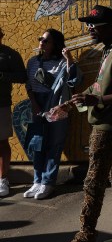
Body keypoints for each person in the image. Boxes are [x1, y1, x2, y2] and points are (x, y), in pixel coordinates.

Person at [49, 5, 112, 242]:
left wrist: (98, 100)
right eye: (88, 24)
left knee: (93, 183)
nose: (89, 28)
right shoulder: (111, 50)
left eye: (96, 24)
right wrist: (72, 103)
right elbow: (101, 85)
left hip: (108, 129)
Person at [24, 29, 82, 200]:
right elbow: (29, 85)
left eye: (46, 40)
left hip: (58, 104)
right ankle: (37, 181)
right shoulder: (33, 61)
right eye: (40, 38)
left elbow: (74, 81)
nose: (41, 42)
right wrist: (34, 104)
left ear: (55, 44)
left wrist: (69, 59)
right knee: (37, 143)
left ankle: (48, 182)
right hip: (37, 104)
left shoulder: (63, 62)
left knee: (55, 143)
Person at [0, 27, 27, 197]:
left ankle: (3, 179)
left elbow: (22, 76)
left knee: (1, 142)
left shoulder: (9, 54)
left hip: (1, 104)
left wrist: (2, 76)